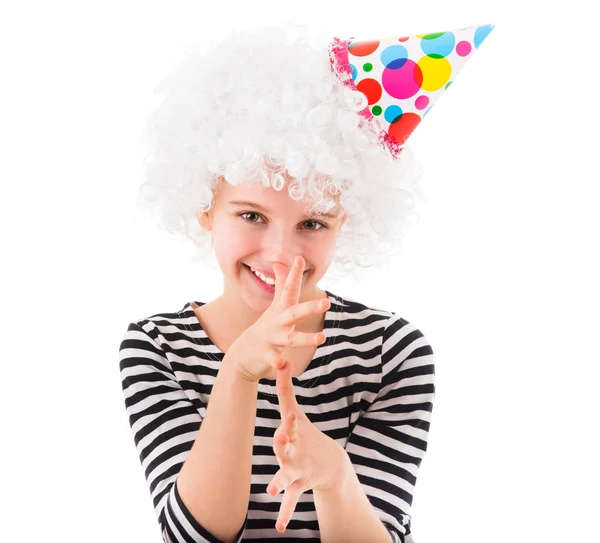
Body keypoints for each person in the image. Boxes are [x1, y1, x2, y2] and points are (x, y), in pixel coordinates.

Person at [119, 22, 494, 542]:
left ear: (348, 222)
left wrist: (336, 478)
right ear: (204, 207)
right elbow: (192, 537)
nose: (280, 255)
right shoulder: (157, 347)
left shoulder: (390, 351)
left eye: (312, 223)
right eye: (251, 216)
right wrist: (239, 373)